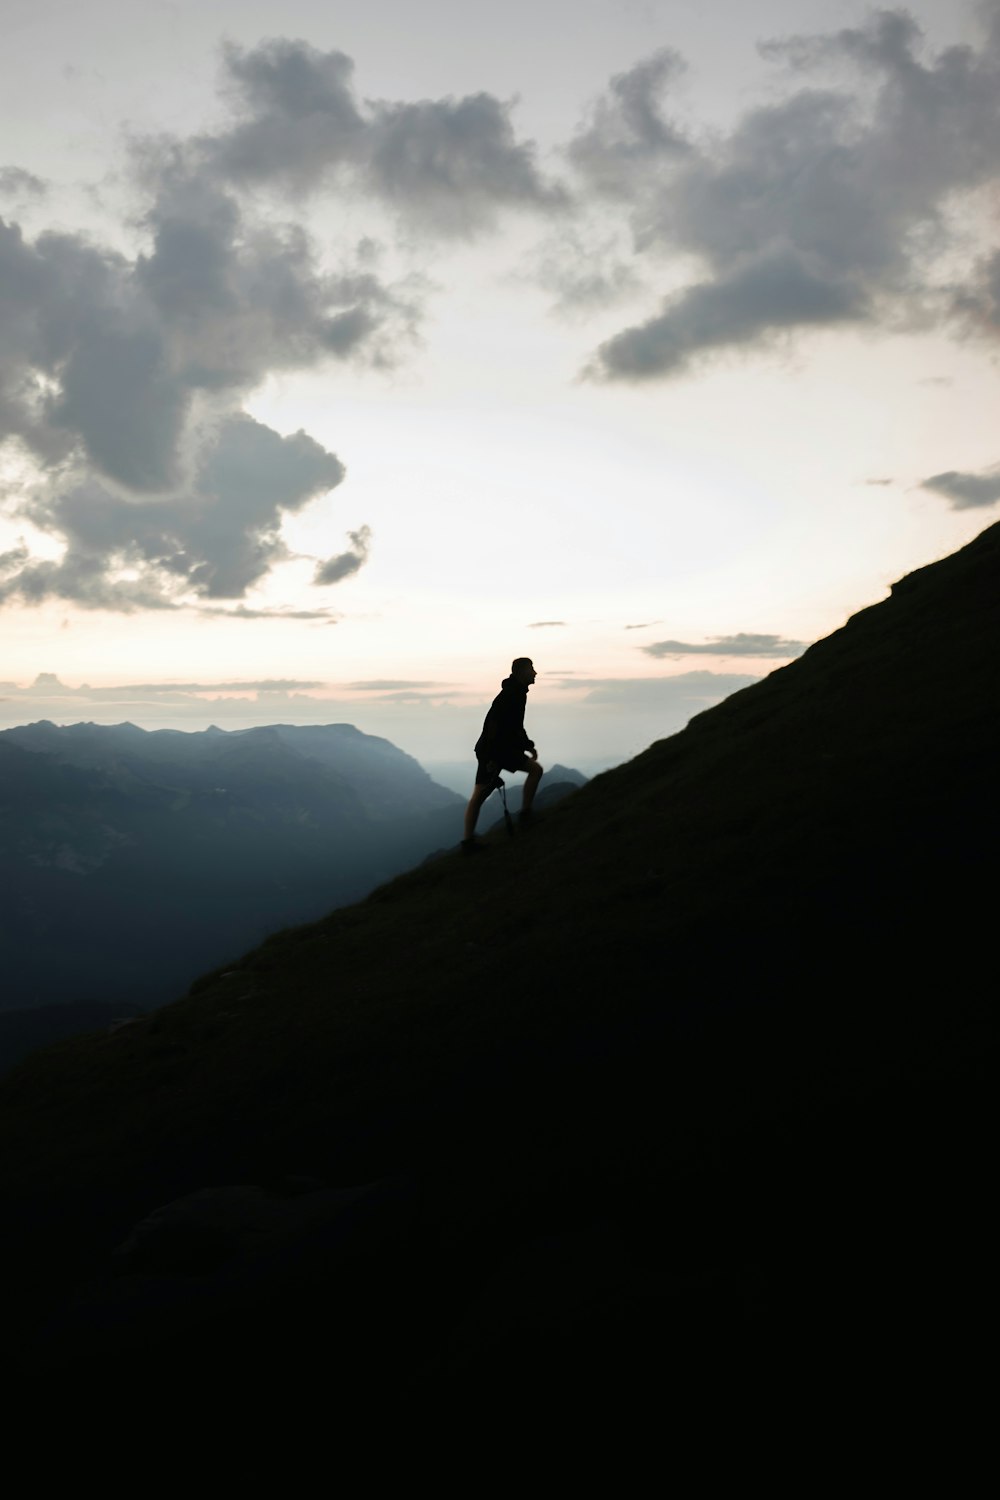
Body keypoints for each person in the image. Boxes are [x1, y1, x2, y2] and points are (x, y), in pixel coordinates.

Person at [462, 658, 544, 852]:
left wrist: (527, 745)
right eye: (532, 669)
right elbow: (493, 725)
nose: (535, 673)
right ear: (521, 672)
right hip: (496, 751)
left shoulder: (516, 692)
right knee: (481, 793)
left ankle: (468, 841)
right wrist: (491, 758)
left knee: (480, 793)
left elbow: (515, 726)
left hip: (499, 750)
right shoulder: (511, 694)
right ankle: (524, 817)